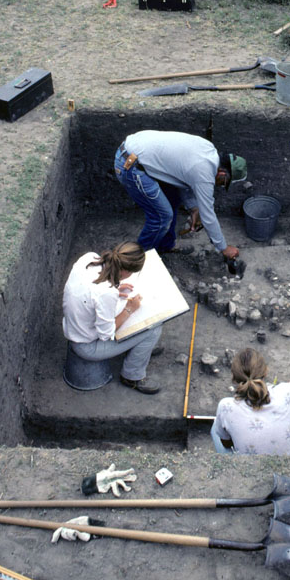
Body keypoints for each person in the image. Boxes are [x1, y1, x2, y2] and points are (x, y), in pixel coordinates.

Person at [114, 130, 247, 261]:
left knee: (173, 198)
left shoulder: (208, 151)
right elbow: (208, 216)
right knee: (162, 216)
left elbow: (184, 178)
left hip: (138, 152)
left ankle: (164, 247)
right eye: (224, 183)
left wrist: (194, 208)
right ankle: (137, 262)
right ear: (222, 174)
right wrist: (223, 248)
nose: (220, 186)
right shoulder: (204, 173)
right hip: (130, 165)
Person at [62, 241, 163, 394]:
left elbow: (90, 292)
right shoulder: (105, 293)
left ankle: (140, 348)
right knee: (154, 328)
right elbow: (106, 335)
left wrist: (115, 285)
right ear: (126, 272)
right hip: (87, 346)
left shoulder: (89, 258)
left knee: (124, 308)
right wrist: (129, 309)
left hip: (75, 326)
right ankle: (132, 376)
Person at [211, 348, 290, 455]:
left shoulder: (225, 406)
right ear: (265, 371)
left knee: (216, 429)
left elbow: (226, 444)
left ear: (234, 378)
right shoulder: (286, 391)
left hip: (252, 470)